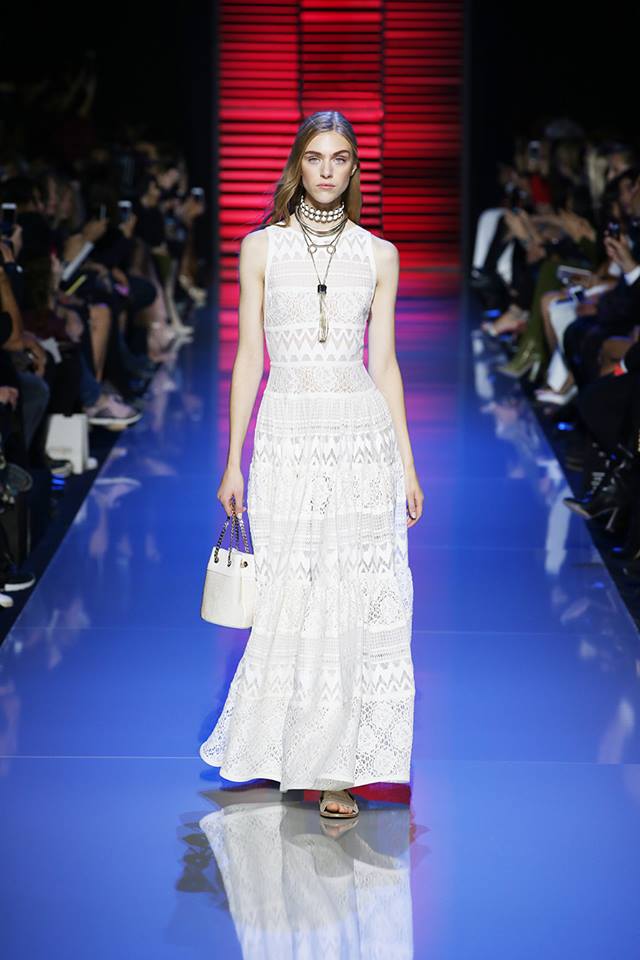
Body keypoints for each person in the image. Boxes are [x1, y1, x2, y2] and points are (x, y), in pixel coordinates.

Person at [199, 111, 424, 819]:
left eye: (341, 158)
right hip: (287, 435)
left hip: (359, 438)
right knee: (288, 595)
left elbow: (384, 364)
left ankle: (336, 771)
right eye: (316, 157)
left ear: (354, 168)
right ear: (298, 164)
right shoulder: (260, 248)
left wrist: (407, 464)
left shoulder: (378, 255)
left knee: (350, 598)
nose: (327, 170)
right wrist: (233, 459)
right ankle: (283, 748)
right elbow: (248, 358)